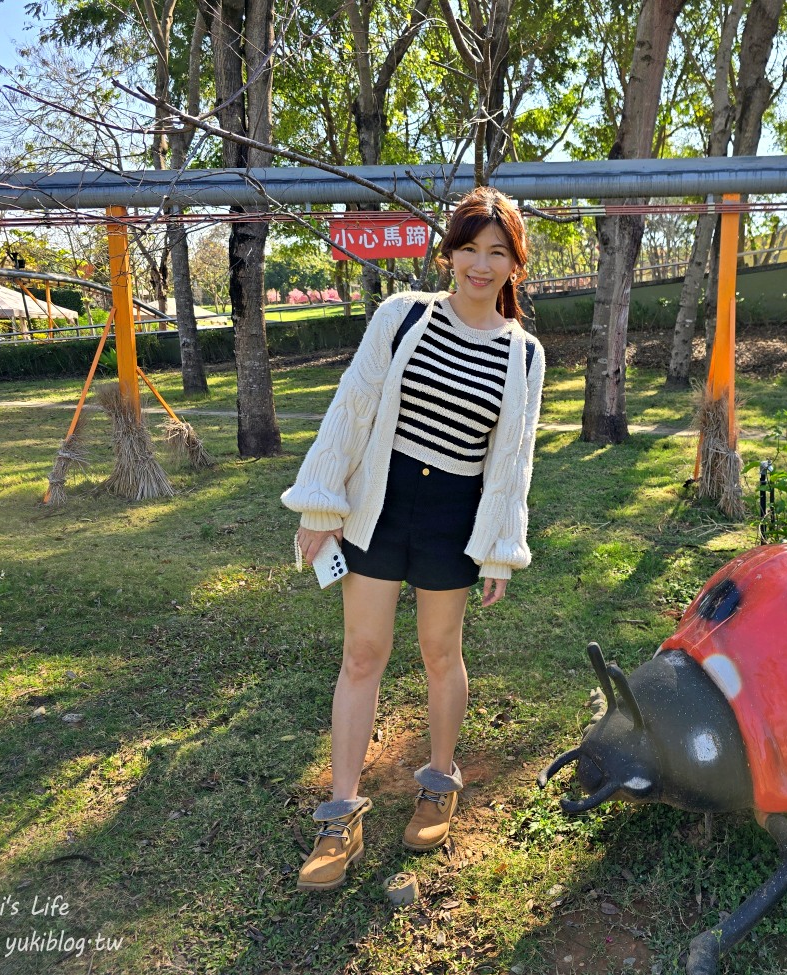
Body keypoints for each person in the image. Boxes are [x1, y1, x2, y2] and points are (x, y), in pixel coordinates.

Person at [281, 187, 544, 891]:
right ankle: (340, 816)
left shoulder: (525, 355)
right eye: (469, 248)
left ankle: (439, 777)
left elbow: (512, 458)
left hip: (454, 516)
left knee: (440, 651)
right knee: (361, 653)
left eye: (497, 252)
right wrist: (318, 503)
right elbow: (353, 406)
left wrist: (498, 547)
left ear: (515, 264)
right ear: (449, 253)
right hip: (381, 506)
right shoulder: (402, 317)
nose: (480, 265)